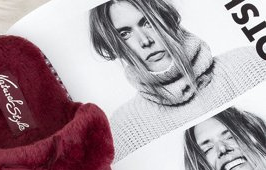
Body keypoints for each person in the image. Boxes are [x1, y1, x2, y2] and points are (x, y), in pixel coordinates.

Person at [89, 0, 266, 161]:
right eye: (125, 34)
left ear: (167, 19)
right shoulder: (123, 127)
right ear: (114, 47)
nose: (145, 41)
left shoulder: (250, 63)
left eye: (148, 22)